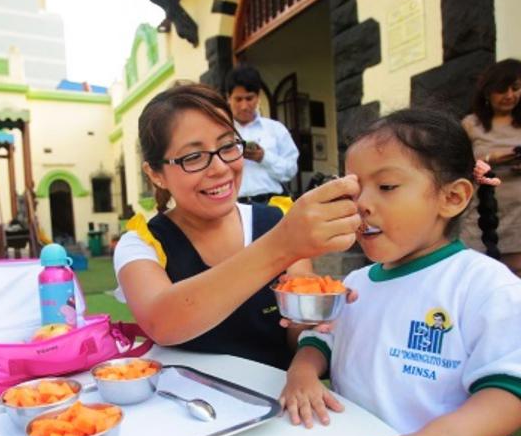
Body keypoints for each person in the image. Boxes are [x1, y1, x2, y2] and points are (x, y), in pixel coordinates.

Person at [281, 108, 521, 436]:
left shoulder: (482, 285)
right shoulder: (356, 284)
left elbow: (516, 386)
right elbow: (323, 341)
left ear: (452, 197)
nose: (362, 204)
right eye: (355, 189)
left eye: (386, 186)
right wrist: (302, 371)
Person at [113, 83, 360, 370]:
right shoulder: (142, 244)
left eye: (228, 146)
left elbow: (296, 329)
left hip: (273, 403)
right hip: (187, 406)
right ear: (155, 174)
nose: (219, 168)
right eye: (194, 157)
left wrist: (315, 317)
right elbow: (162, 322)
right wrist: (281, 245)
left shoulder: (276, 220)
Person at [461, 58, 521, 277]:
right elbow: (459, 166)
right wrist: (491, 159)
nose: (510, 95)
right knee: (477, 267)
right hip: (482, 204)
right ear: (488, 91)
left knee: (516, 267)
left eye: (516, 88)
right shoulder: (470, 123)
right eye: (502, 90)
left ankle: (511, 311)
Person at [224, 64, 300, 204]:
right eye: (238, 99)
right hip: (234, 206)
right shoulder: (222, 132)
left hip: (271, 203)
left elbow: (290, 170)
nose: (244, 106)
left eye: (249, 98)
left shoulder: (276, 129)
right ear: (228, 98)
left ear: (258, 96)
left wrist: (264, 157)